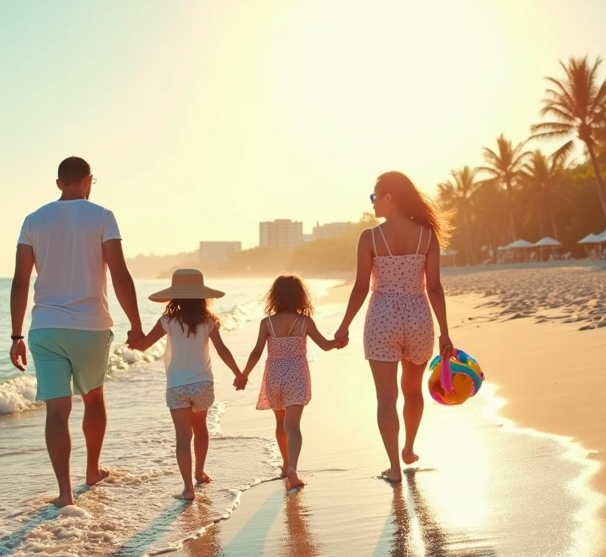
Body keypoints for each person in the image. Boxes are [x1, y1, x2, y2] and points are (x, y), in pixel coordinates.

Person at [10, 156, 144, 508]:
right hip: (90, 326)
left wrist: (15, 336)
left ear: (59, 183)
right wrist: (136, 323)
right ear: (88, 181)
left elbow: (21, 281)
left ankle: (65, 493)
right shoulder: (102, 216)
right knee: (94, 399)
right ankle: (92, 470)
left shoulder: (33, 220)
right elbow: (119, 273)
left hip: (45, 328)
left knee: (57, 412)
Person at [333, 171, 452, 484]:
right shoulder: (427, 236)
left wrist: (344, 326)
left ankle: (394, 468)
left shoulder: (370, 238)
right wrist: (445, 332)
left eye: (374, 197)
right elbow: (435, 287)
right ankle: (409, 449)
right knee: (412, 392)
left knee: (386, 399)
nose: (372, 204)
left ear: (389, 198)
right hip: (418, 316)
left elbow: (360, 287)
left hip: (383, 316)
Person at [132, 269, 244, 501]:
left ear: (175, 297)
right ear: (202, 296)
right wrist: (238, 373)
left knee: (183, 436)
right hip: (202, 384)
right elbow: (222, 350)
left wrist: (132, 339)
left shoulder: (168, 321)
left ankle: (187, 489)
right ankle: (200, 472)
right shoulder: (209, 321)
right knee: (200, 427)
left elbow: (142, 346)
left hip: (176, 386)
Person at [238, 274, 338, 489]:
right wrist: (339, 342)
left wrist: (244, 374)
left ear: (275, 296)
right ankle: (292, 467)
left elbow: (256, 352)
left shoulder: (268, 323)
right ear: (300, 297)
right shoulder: (304, 322)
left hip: (275, 374)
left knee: (280, 423)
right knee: (293, 426)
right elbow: (325, 345)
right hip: (297, 374)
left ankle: (285, 465)